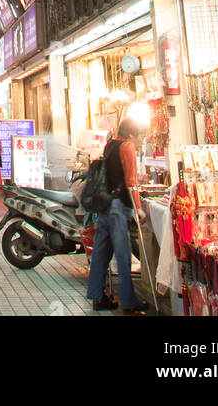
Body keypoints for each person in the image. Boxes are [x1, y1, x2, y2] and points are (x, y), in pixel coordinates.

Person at [85, 117, 150, 315]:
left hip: (105, 206)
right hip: (118, 208)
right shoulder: (127, 147)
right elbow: (131, 181)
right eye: (140, 138)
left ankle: (97, 297)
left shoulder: (110, 144)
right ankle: (129, 302)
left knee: (101, 252)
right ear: (131, 135)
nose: (140, 144)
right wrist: (138, 208)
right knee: (123, 255)